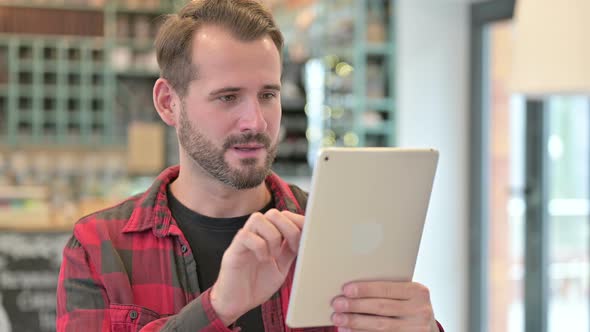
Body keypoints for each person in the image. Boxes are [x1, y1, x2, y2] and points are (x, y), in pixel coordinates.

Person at [56, 0, 444, 331]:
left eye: (267, 94)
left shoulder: (337, 229)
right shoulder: (99, 247)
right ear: (168, 103)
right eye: (227, 97)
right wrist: (218, 308)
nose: (255, 122)